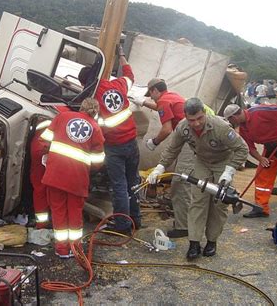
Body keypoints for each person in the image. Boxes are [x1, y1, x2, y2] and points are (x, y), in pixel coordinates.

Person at [147, 98, 248, 260]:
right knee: (197, 202)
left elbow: (242, 149)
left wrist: (229, 171)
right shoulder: (183, 127)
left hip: (223, 163)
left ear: (204, 113)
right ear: (186, 116)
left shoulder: (220, 127)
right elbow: (173, 149)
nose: (196, 123)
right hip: (202, 162)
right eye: (191, 120)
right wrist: (160, 167)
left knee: (218, 205)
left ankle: (212, 241)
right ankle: (194, 243)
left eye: (200, 118)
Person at [79, 47, 141, 233]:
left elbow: (89, 123)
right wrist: (121, 55)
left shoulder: (92, 97)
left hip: (114, 147)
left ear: (86, 83)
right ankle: (136, 220)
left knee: (119, 186)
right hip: (132, 142)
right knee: (133, 183)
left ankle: (123, 227)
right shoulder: (117, 85)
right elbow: (130, 75)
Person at [40, 98, 105, 258]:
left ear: (81, 107)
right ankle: (76, 249)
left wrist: (49, 156)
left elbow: (43, 141)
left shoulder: (62, 117)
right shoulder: (95, 129)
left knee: (58, 212)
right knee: (75, 214)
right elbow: (98, 162)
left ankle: (61, 249)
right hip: (77, 179)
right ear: (95, 112)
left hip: (55, 175)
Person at [224, 104, 277, 217]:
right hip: (270, 147)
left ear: (233, 117)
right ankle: (261, 208)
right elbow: (249, 147)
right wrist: (261, 159)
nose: (232, 122)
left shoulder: (258, 111)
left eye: (230, 120)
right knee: (262, 177)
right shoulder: (244, 129)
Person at [140, 78, 193, 238]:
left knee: (181, 183)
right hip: (190, 138)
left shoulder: (163, 101)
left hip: (190, 140)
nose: (151, 97)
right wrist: (143, 103)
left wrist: (154, 142)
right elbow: (160, 108)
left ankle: (184, 226)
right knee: (187, 179)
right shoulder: (172, 96)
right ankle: (187, 218)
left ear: (155, 90)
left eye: (150, 94)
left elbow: (167, 129)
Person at [29, 118, 52, 229]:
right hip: (44, 152)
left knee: (39, 189)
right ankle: (46, 222)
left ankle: (41, 223)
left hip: (40, 150)